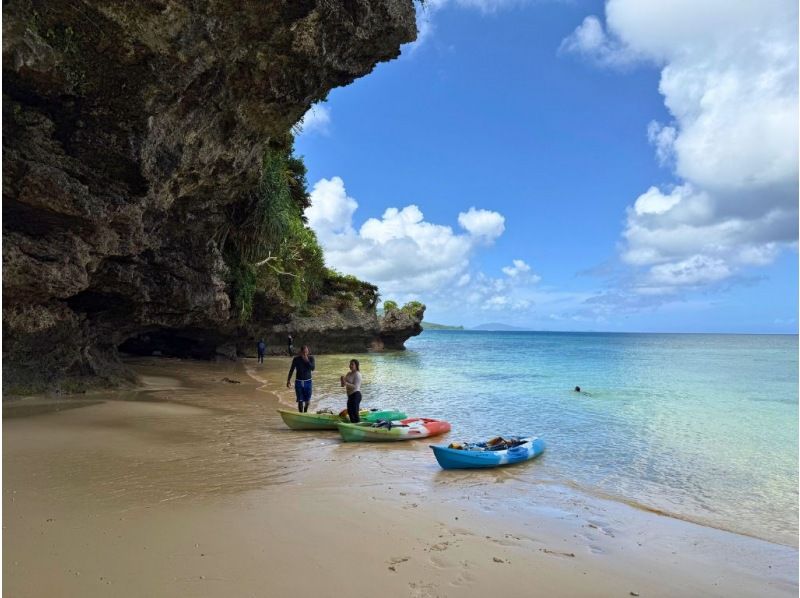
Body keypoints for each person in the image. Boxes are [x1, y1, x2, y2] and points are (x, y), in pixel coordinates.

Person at [287, 345, 315, 412]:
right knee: (300, 400)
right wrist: (288, 380)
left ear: (308, 352)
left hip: (308, 382)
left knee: (307, 401)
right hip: (298, 382)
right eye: (304, 352)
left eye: (306, 352)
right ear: (300, 352)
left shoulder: (311, 358)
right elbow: (291, 370)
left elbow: (313, 368)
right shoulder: (296, 359)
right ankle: (301, 414)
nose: (305, 354)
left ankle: (305, 411)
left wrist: (307, 361)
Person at [340, 359, 363, 423]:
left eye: (352, 364)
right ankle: (353, 426)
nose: (350, 365)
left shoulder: (358, 374)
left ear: (356, 365)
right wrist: (342, 380)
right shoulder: (348, 373)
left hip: (356, 395)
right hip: (350, 396)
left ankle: (358, 426)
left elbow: (355, 386)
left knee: (355, 413)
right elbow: (343, 385)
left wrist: (345, 383)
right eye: (350, 364)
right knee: (350, 413)